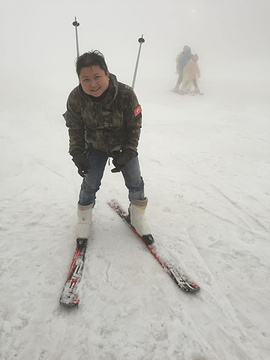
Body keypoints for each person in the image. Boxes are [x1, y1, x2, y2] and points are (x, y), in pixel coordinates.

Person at [63, 50, 153, 245]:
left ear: (107, 73)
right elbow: (75, 127)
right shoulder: (76, 98)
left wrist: (129, 152)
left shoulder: (125, 94)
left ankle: (137, 216)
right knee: (90, 183)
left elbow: (134, 126)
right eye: (86, 79)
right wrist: (77, 152)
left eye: (97, 77)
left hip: (122, 146)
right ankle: (84, 219)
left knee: (135, 182)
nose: (93, 84)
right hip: (94, 146)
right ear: (79, 79)